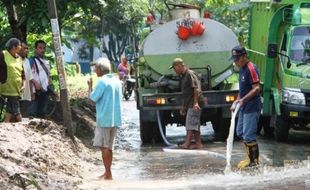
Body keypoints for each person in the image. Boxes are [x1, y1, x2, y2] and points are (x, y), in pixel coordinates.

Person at [87, 57, 122, 180]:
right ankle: (108, 172)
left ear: (100, 70)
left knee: (104, 147)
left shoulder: (102, 81)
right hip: (115, 118)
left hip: (104, 119)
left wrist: (90, 86)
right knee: (109, 146)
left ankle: (108, 174)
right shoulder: (117, 80)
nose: (95, 71)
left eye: (96, 68)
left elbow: (93, 98)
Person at [229, 45, 261, 169]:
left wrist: (242, 100)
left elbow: (257, 88)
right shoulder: (241, 69)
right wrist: (237, 101)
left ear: (244, 56)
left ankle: (254, 162)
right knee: (240, 132)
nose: (235, 62)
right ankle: (249, 157)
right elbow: (243, 89)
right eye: (234, 59)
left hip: (252, 107)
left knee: (248, 135)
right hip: (244, 106)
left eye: (237, 59)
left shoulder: (251, 68)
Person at [170, 58, 204, 149]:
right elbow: (186, 93)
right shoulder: (183, 76)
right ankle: (198, 143)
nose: (174, 70)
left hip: (194, 102)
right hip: (190, 102)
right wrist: (183, 106)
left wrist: (196, 103)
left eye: (175, 67)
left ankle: (187, 143)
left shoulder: (189, 74)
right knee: (194, 123)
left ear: (180, 66)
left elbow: (196, 88)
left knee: (190, 123)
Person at [0, 38, 24, 122]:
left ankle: (6, 126)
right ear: (14, 47)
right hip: (4, 88)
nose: (21, 47)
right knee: (16, 112)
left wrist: (23, 85)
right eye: (20, 45)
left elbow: (22, 74)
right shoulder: (3, 55)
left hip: (15, 90)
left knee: (10, 111)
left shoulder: (20, 59)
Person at [28, 40, 51, 118]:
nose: (42, 50)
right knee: (32, 114)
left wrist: (51, 89)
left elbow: (48, 76)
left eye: (44, 48)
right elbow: (27, 76)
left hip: (45, 92)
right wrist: (31, 92)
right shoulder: (31, 61)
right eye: (40, 48)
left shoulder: (47, 62)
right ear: (35, 49)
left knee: (42, 114)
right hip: (35, 92)